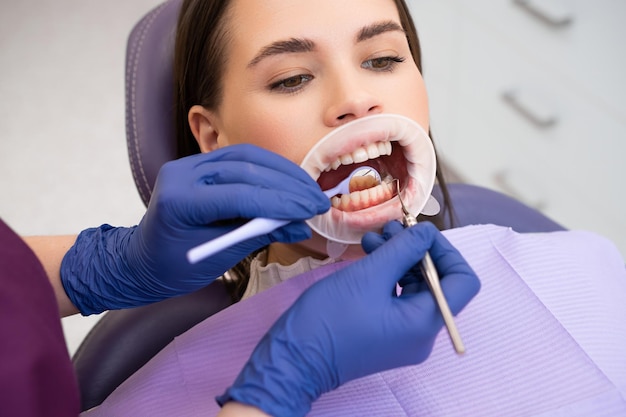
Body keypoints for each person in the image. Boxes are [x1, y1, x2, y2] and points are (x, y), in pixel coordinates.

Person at [76, 0, 626, 416]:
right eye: (292, 78)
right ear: (213, 136)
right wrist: (283, 382)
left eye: (383, 58)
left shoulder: (587, 270)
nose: (356, 99)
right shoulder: (157, 385)